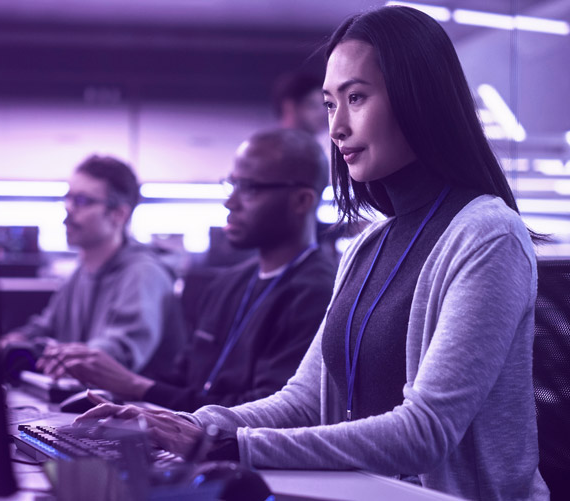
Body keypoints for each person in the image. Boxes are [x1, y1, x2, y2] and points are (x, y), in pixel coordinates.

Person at [77, 6, 549, 500]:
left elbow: (425, 432)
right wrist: (182, 424)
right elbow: (304, 400)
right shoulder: (368, 245)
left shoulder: (488, 236)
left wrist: (226, 445)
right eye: (329, 104)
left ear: (419, 98)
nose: (337, 126)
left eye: (357, 98)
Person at [38, 128, 336, 412]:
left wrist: (134, 385)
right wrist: (117, 394)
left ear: (301, 201)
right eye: (231, 184)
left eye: (249, 188)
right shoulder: (228, 284)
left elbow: (269, 412)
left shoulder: (319, 293)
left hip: (251, 461)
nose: (230, 201)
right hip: (193, 446)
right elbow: (182, 380)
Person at [0, 155, 184, 377]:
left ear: (119, 214)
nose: (68, 208)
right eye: (67, 198)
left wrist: (50, 354)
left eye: (82, 201)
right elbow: (46, 326)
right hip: (86, 401)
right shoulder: (80, 272)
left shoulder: (144, 274)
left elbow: (116, 356)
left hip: (133, 408)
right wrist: (14, 341)